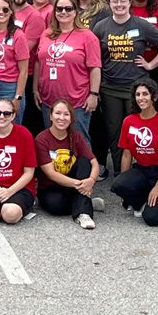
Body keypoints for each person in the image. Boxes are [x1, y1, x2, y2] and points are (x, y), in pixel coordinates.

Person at [89, 0, 158, 175]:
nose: (119, 4)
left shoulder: (140, 24)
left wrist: (150, 65)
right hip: (110, 88)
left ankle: (143, 170)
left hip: (137, 88)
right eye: (115, 1)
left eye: (123, 1)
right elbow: (93, 57)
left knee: (141, 130)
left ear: (129, 2)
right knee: (115, 132)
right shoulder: (101, 27)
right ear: (109, 3)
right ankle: (120, 172)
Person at [105, 80, 158, 227]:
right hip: (142, 169)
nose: (141, 98)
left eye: (145, 94)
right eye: (137, 94)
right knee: (118, 185)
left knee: (152, 218)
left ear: (154, 97)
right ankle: (145, 200)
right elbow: (127, 154)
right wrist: (125, 188)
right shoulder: (129, 121)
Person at [32, 0, 102, 136]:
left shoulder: (87, 36)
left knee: (78, 143)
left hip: (77, 102)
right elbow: (39, 62)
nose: (63, 12)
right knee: (53, 142)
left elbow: (95, 67)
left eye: (68, 9)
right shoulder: (46, 34)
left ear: (75, 12)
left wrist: (93, 94)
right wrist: (35, 89)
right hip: (49, 100)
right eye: (59, 9)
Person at [33, 98, 99, 228]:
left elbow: (94, 162)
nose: (61, 118)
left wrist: (91, 180)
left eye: (66, 114)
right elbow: (51, 174)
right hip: (50, 188)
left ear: (71, 118)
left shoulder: (76, 136)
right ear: (50, 116)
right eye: (57, 113)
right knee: (55, 207)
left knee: (84, 162)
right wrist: (81, 185)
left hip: (73, 186)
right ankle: (85, 202)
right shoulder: (41, 139)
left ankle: (84, 213)